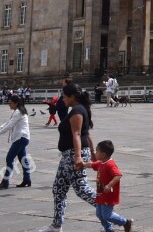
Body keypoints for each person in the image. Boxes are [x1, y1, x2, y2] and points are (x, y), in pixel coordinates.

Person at [39, 83, 97, 232]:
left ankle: (107, 206)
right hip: (68, 155)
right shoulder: (78, 109)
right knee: (58, 188)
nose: (62, 99)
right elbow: (87, 134)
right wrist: (93, 152)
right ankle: (56, 226)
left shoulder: (77, 111)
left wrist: (78, 157)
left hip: (73, 154)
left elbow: (77, 134)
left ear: (73, 97)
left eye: (64, 96)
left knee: (81, 189)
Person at [82, 140, 133, 232]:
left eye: (97, 151)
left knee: (107, 215)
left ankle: (125, 222)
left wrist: (109, 185)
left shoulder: (110, 165)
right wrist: (82, 164)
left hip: (108, 195)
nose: (95, 153)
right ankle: (109, 229)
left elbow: (118, 175)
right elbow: (92, 164)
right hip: (100, 194)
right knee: (99, 214)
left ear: (103, 154)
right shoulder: (101, 162)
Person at [0, 94, 32, 189]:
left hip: (21, 138)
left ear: (16, 103)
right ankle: (27, 179)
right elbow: (8, 123)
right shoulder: (19, 111)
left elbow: (9, 126)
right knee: (23, 159)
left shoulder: (18, 112)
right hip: (23, 138)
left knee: (9, 159)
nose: (9, 104)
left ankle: (5, 181)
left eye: (10, 103)